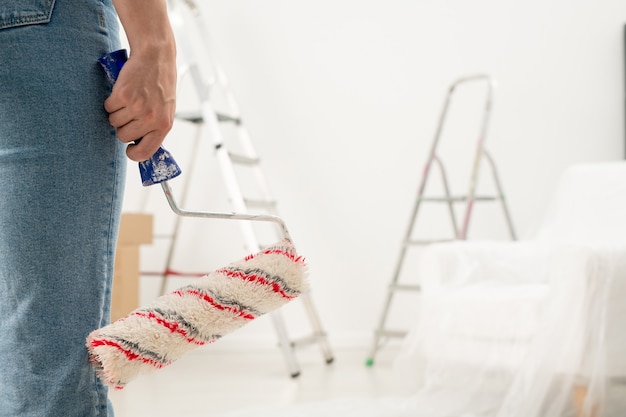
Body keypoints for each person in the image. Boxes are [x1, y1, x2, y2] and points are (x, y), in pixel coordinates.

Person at [0, 1, 177, 416]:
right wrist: (155, 44)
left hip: (29, 29)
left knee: (42, 375)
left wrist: (155, 45)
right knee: (40, 376)